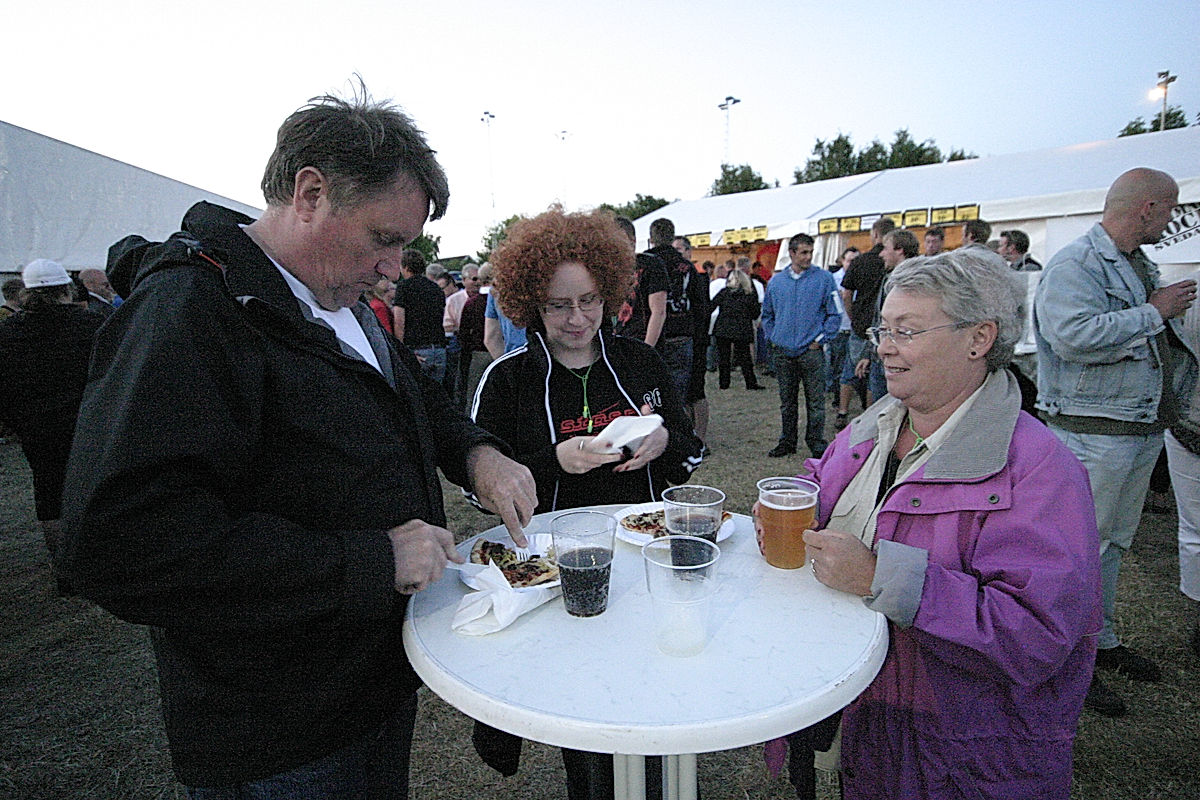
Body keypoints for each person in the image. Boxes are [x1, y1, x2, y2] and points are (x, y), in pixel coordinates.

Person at [59, 88, 537, 799]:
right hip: (278, 728)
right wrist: (371, 560)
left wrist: (476, 452)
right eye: (385, 238)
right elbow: (122, 544)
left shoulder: (336, 298)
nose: (394, 267)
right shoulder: (191, 313)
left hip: (369, 684)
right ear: (310, 193)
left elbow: (412, 398)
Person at [762, 249, 1100, 800]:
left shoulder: (1041, 471)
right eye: (883, 328)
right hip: (852, 710)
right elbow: (823, 481)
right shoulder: (878, 423)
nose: (885, 346)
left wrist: (881, 576)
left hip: (949, 748)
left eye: (908, 331)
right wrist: (789, 505)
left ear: (979, 339)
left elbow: (1037, 636)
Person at [470, 207, 703, 800]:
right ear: (530, 304)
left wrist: (665, 442)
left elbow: (690, 447)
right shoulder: (506, 380)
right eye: (557, 305)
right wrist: (553, 461)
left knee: (652, 693)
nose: (577, 318)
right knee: (585, 715)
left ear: (611, 294)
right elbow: (478, 490)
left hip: (646, 563)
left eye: (590, 301)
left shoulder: (640, 362)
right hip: (556, 573)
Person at [1034, 166, 1196, 716]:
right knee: (1080, 552)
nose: (1173, 219)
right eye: (1170, 208)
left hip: (1134, 429)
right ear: (1147, 207)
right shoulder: (1077, 264)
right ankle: (1067, 660)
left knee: (1112, 544)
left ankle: (1098, 642)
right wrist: (1155, 311)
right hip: (1092, 435)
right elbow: (1069, 335)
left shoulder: (1135, 262)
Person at [0, 258, 103, 594]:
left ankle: (68, 574)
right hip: (89, 422)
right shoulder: (90, 325)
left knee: (50, 496)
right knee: (99, 489)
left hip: (37, 429)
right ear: (66, 289)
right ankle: (106, 562)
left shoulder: (8, 334)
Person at [762, 233, 840, 458]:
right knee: (787, 402)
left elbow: (834, 313)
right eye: (804, 252)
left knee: (816, 401)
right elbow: (767, 314)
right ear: (792, 253)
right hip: (784, 351)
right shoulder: (776, 282)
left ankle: (816, 441)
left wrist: (821, 339)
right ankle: (787, 441)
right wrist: (774, 338)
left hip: (811, 351)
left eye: (810, 252)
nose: (808, 257)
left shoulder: (824, 279)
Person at [853, 230, 920, 402]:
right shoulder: (888, 278)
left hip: (901, 358)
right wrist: (870, 353)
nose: (881, 254)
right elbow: (880, 321)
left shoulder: (916, 282)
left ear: (899, 250)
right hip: (881, 355)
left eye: (885, 248)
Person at [840, 219, 893, 407]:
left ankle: (843, 411)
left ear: (876, 234)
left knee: (849, 371)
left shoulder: (861, 261)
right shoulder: (891, 265)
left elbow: (846, 293)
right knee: (875, 374)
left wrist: (852, 315)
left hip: (861, 324)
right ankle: (870, 412)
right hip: (883, 327)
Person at [674, 235, 711, 445]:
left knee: (696, 390)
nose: (676, 256)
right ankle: (689, 435)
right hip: (683, 339)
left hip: (696, 339)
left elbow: (702, 310)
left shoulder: (699, 276)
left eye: (679, 251)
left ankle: (702, 439)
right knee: (683, 392)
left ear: (689, 252)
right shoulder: (674, 276)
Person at [392, 247, 447, 382]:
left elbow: (399, 322)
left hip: (416, 349)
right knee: (436, 394)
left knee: (416, 395)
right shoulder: (436, 289)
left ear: (405, 267)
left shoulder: (404, 287)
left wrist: (401, 350)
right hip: (439, 348)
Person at [613, 216, 667, 348]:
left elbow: (658, 311)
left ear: (633, 241)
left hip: (639, 342)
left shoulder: (650, 264)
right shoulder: (608, 269)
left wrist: (647, 349)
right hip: (616, 342)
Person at [712, 267, 764, 390]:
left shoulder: (724, 293)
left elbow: (711, 306)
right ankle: (750, 382)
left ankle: (724, 383)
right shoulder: (748, 294)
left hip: (723, 327)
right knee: (745, 358)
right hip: (742, 329)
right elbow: (755, 313)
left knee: (723, 357)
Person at [829, 247, 859, 429]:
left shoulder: (860, 276)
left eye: (855, 261)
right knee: (838, 366)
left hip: (854, 328)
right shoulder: (834, 279)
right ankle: (837, 398)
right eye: (849, 261)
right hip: (841, 328)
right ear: (842, 261)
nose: (852, 264)